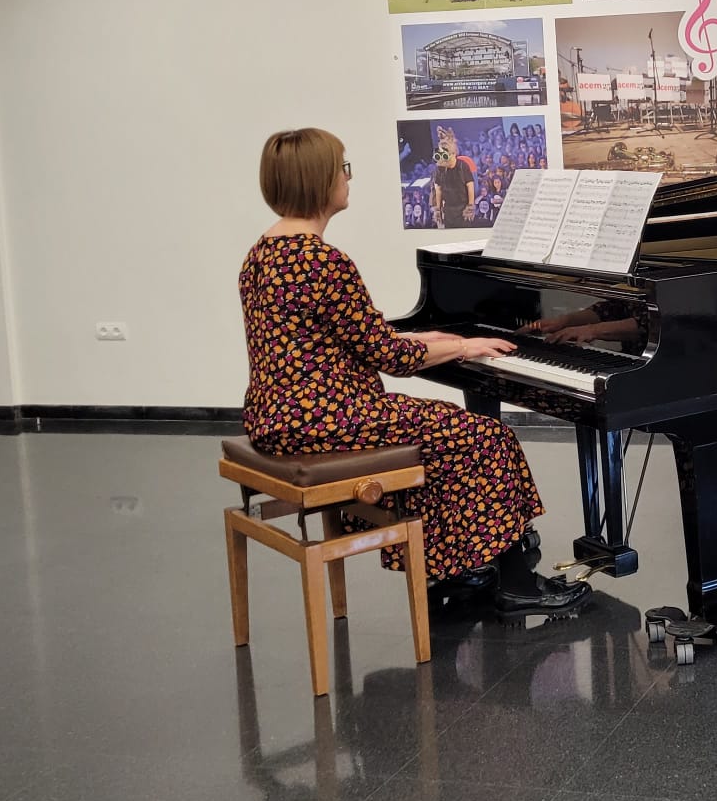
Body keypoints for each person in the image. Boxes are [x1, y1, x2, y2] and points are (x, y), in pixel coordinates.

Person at [239, 128, 588, 616]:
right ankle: (516, 584)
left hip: (275, 417)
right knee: (484, 438)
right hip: (327, 419)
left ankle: (457, 570)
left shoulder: (261, 254)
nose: (348, 178)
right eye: (343, 168)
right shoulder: (323, 261)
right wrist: (462, 345)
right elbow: (389, 357)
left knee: (442, 437)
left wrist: (434, 339)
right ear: (318, 180)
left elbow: (347, 336)